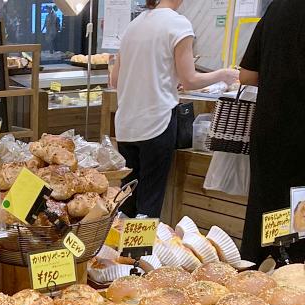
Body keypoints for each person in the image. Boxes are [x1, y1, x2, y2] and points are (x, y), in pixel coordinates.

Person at [111, 0, 238, 217]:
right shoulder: (178, 24)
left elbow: (115, 80)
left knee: (128, 198)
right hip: (156, 124)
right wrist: (223, 74)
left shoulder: (133, 25)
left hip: (126, 126)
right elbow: (190, 80)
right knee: (149, 202)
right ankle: (144, 240)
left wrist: (165, 79)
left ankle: (121, 239)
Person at [238, 0, 305, 264]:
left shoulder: (278, 7)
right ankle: (292, 274)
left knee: (267, 205)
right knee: (299, 212)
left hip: (270, 127)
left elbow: (247, 75)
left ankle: (256, 270)